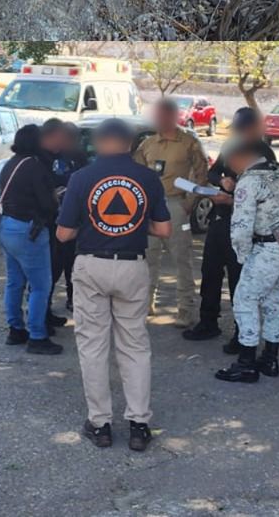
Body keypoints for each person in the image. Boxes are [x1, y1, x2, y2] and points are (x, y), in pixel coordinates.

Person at [57, 117, 172, 451]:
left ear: (99, 142)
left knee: (93, 346)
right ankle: (139, 425)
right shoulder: (148, 178)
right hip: (132, 266)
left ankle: (100, 425)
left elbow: (63, 234)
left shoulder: (81, 178)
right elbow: (163, 229)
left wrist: (92, 224)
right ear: (130, 144)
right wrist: (133, 223)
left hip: (91, 265)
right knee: (134, 345)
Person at [215, 139, 279, 383]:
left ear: (242, 156)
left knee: (245, 299)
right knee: (276, 301)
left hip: (268, 249)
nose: (230, 166)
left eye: (231, 160)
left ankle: (246, 362)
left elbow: (241, 227)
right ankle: (270, 359)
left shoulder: (249, 181)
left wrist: (243, 257)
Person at [184, 106, 275, 349]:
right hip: (220, 220)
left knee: (239, 279)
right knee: (210, 272)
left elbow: (267, 196)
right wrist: (221, 180)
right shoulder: (231, 147)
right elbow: (213, 173)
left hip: (246, 225)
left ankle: (242, 333)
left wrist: (234, 200)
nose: (239, 133)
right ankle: (208, 322)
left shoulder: (265, 154)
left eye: (243, 129)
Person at [133, 96, 209, 327]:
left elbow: (201, 173)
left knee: (181, 259)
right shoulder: (148, 144)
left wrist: (190, 202)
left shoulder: (188, 142)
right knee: (148, 258)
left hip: (176, 206)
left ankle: (186, 309)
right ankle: (145, 303)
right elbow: (137, 173)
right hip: (150, 208)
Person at [0, 123, 63, 355]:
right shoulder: (34, 166)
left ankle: (15, 329)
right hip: (28, 229)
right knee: (40, 285)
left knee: (14, 281)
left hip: (6, 226)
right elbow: (47, 204)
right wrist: (56, 199)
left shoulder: (11, 164)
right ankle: (37, 336)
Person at [41, 118, 85, 324]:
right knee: (53, 267)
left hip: (75, 220)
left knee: (73, 265)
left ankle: (73, 299)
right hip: (53, 221)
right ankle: (44, 308)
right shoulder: (50, 158)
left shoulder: (81, 158)